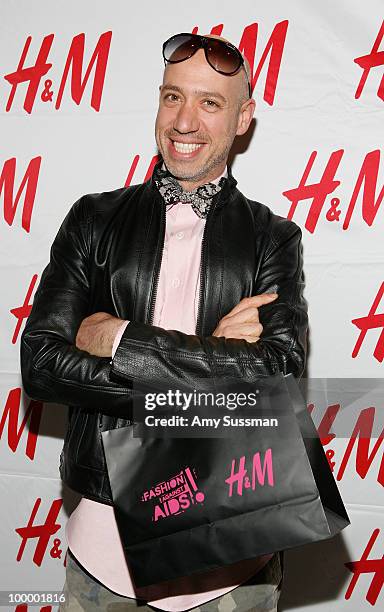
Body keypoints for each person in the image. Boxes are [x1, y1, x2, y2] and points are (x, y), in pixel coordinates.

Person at [21, 32, 308, 612]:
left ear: (243, 118)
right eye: (174, 97)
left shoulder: (273, 238)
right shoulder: (92, 219)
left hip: (234, 556)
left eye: (210, 102)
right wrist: (215, 364)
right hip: (105, 555)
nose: (185, 121)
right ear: (157, 101)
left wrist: (121, 340)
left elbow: (277, 381)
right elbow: (43, 366)